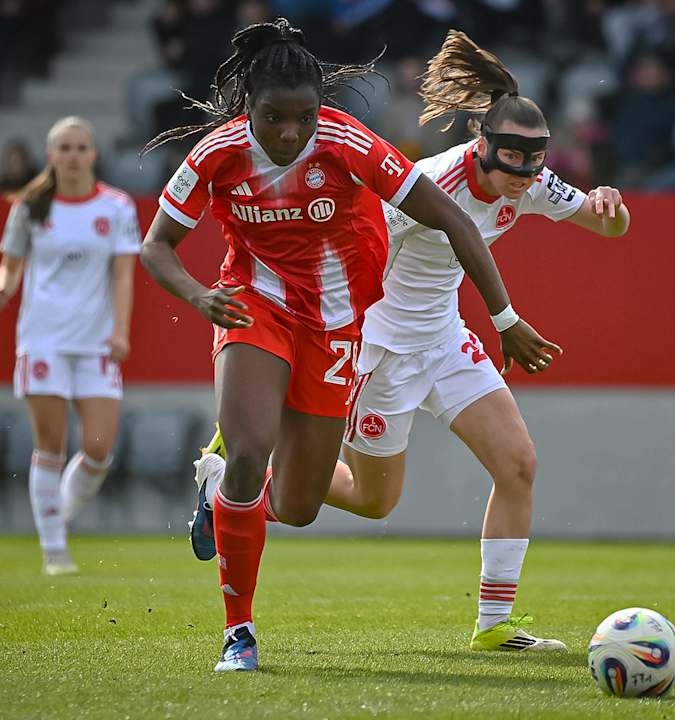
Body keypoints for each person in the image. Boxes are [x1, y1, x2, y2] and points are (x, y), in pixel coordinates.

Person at [140, 18, 557, 672]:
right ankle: (238, 634)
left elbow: (449, 217)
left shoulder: (346, 141)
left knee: (301, 506)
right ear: (248, 105)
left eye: (304, 117)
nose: (290, 134)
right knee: (251, 449)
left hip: (337, 329)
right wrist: (198, 296)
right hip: (253, 303)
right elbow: (156, 244)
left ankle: (224, 488)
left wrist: (504, 318)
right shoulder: (216, 153)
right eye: (274, 118)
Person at [312, 29, 627, 652]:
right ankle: (252, 484)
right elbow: (350, 260)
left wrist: (610, 207)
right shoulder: (424, 185)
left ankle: (494, 626)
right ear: (480, 144)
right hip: (384, 354)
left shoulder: (529, 182)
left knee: (518, 465)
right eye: (511, 161)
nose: (523, 178)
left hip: (446, 340)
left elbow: (608, 226)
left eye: (533, 164)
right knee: (375, 503)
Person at [0, 116, 140, 576]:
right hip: (43, 338)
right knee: (50, 443)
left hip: (95, 343)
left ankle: (57, 516)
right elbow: (8, 267)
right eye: (64, 148)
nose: (73, 155)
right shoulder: (30, 206)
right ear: (50, 156)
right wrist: (1, 289)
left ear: (93, 154)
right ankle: (54, 549)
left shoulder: (116, 207)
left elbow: (124, 274)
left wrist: (121, 331)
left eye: (80, 147)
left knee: (99, 447)